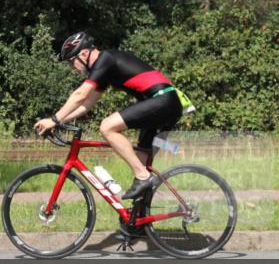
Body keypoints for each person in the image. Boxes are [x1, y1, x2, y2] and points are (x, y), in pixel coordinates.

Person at [34, 31, 183, 202]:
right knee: (141, 162)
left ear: (83, 53)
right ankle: (138, 224)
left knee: (107, 127)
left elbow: (80, 95)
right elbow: (86, 104)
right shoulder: (104, 68)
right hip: (163, 104)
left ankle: (143, 176)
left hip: (163, 100)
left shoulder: (106, 59)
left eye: (71, 61)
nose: (72, 67)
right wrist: (60, 122)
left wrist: (54, 119)